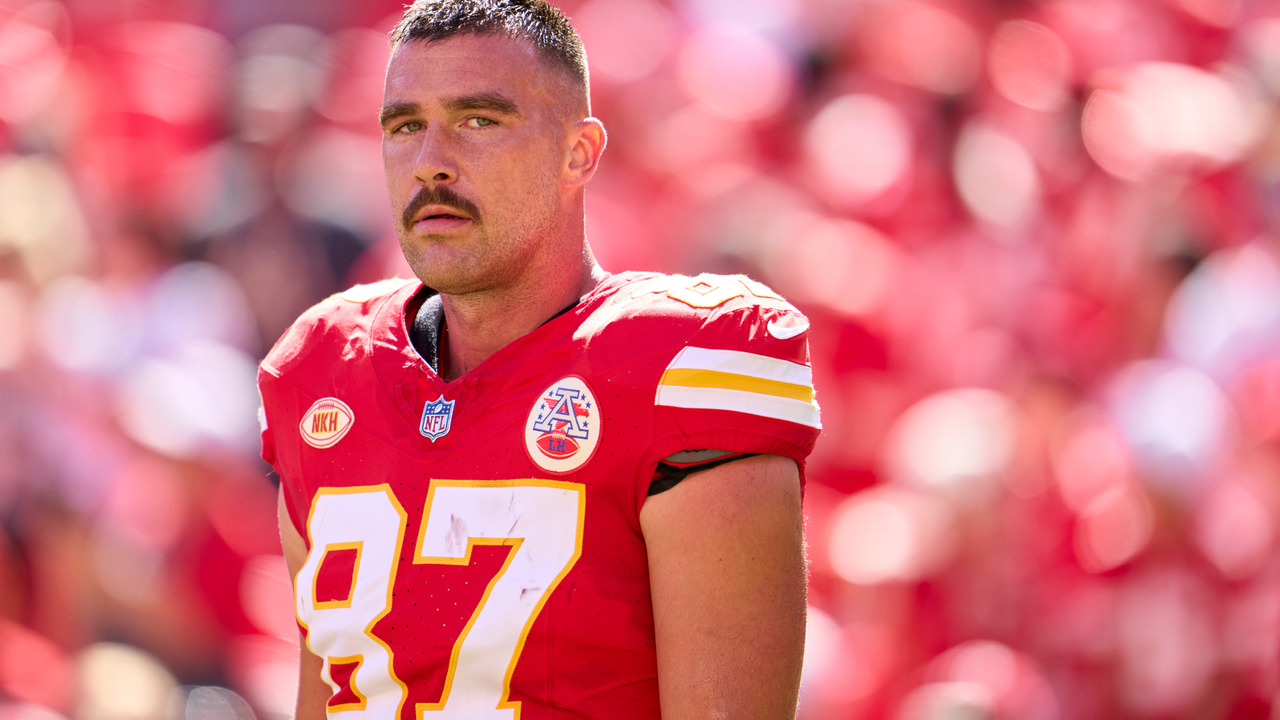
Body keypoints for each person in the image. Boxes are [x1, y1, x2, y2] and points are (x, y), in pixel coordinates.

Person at [257, 1, 821, 718]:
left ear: (577, 152)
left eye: (478, 120)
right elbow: (331, 693)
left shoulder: (685, 361)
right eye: (405, 126)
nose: (430, 161)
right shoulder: (323, 369)